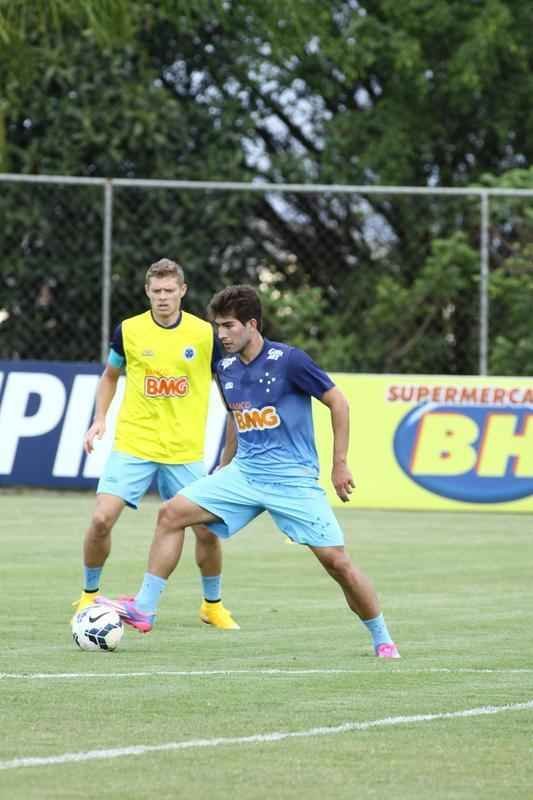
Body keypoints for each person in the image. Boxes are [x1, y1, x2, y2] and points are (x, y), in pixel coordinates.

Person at [98, 284, 399, 658]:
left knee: (336, 562)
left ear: (251, 324)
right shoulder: (224, 368)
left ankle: (382, 638)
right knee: (171, 513)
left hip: (292, 479)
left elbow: (338, 401)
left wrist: (340, 463)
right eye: (217, 326)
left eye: (228, 326)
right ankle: (144, 608)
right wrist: (223, 469)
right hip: (244, 474)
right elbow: (235, 418)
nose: (220, 335)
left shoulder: (289, 360)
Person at [71, 259, 239, 630]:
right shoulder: (128, 331)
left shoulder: (204, 334)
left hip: (184, 452)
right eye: (156, 291)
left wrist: (236, 434)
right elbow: (110, 375)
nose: (163, 298)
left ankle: (212, 605)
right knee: (101, 519)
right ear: (148, 291)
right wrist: (99, 419)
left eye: (169, 291)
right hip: (134, 443)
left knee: (207, 531)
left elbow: (227, 385)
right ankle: (88, 595)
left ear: (183, 291)